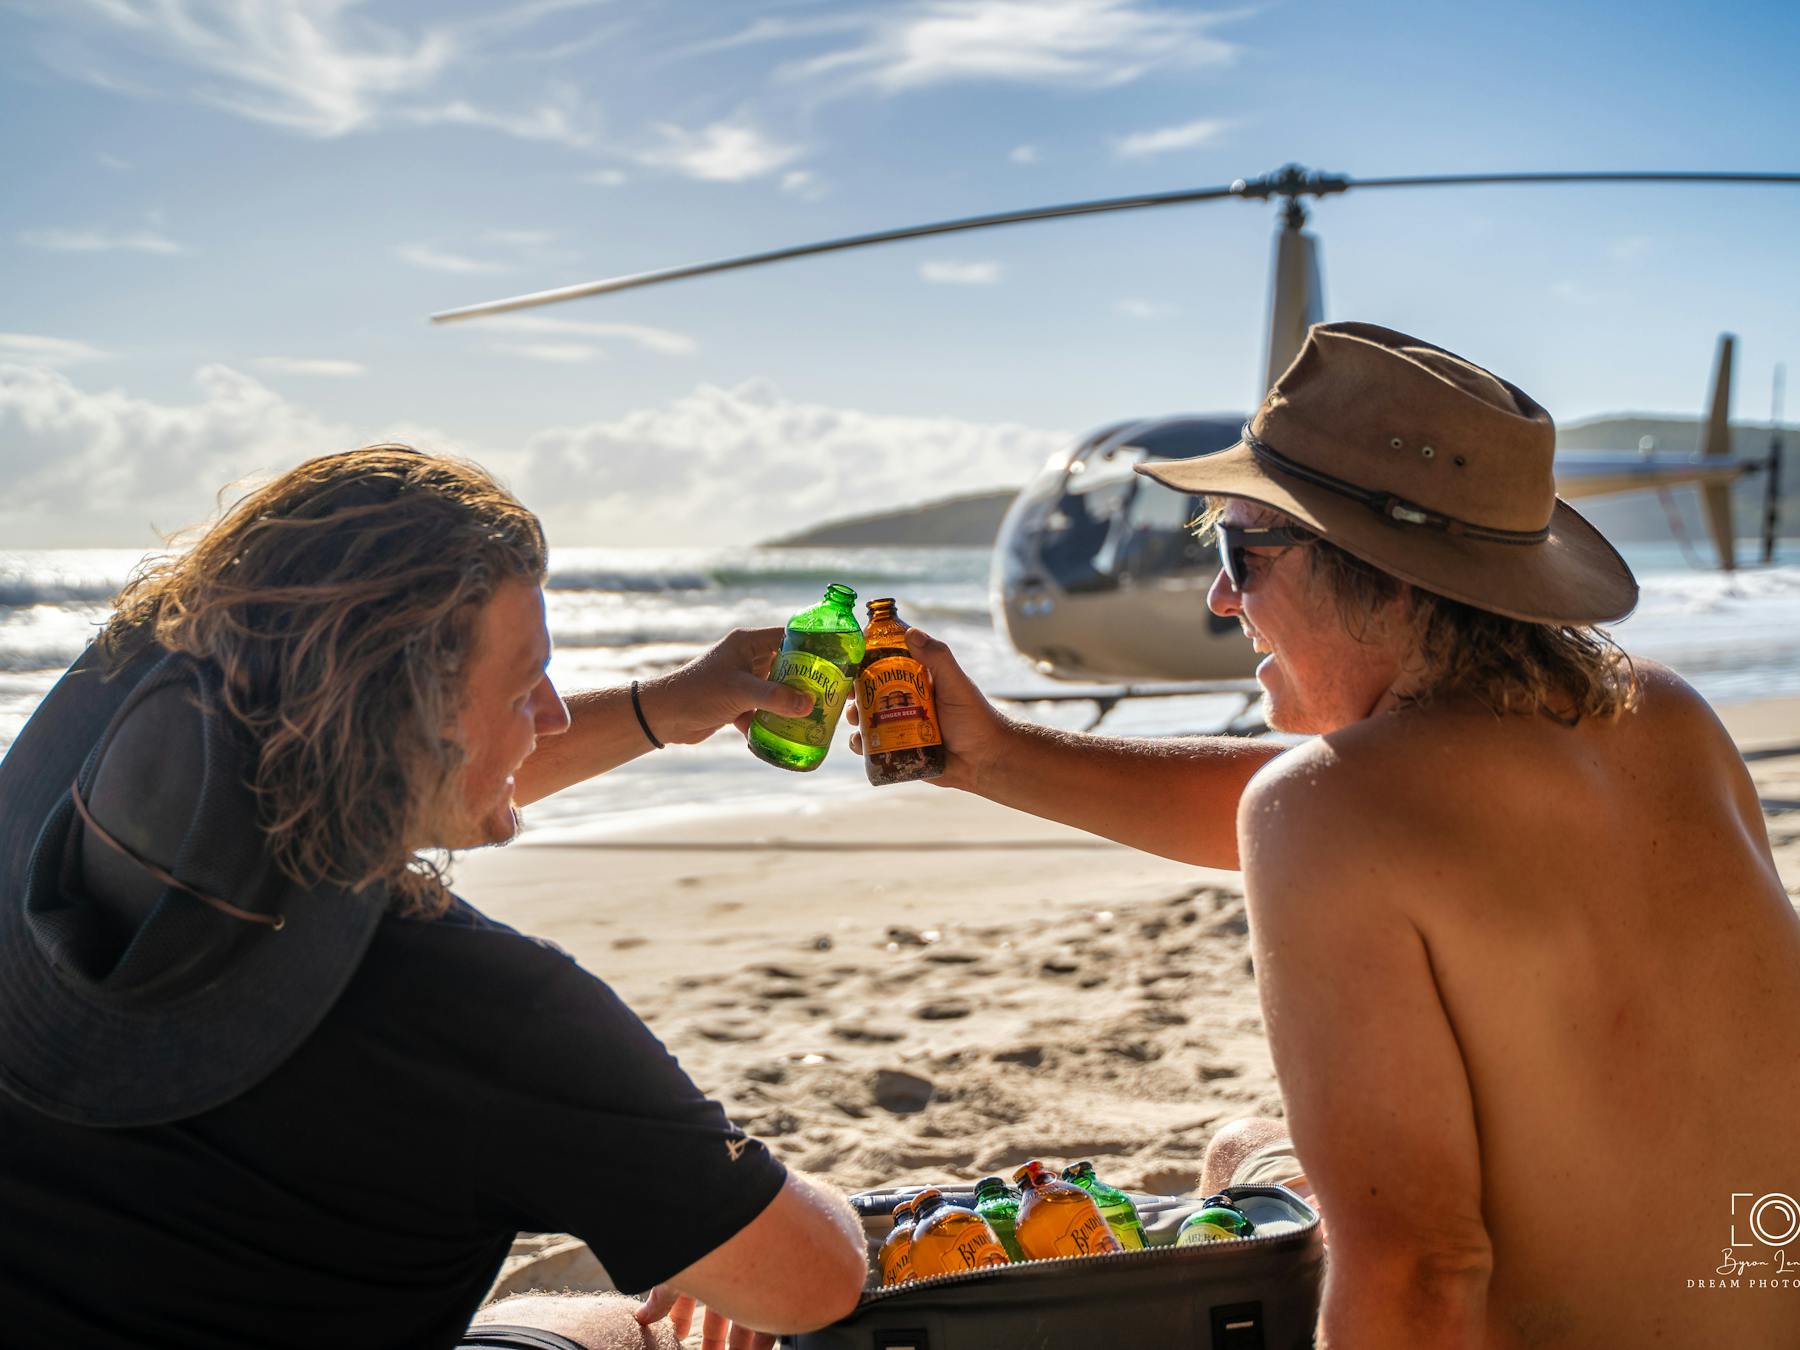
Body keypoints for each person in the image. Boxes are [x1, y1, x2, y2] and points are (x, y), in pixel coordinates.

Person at [851, 323, 1800, 1347]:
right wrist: (989, 754)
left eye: (1240, 553)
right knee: (1242, 1151)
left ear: (1382, 576)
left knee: (1266, 1188)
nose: (1223, 597)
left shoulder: (1332, 816)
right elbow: (1369, 817)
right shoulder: (1658, 717)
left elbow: (1426, 1273)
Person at [0, 446, 867, 1350]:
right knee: (614, 1324)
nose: (555, 714)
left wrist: (660, 709)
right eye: (525, 680)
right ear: (403, 720)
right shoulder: (481, 1008)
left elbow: (368, 792)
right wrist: (832, 1201)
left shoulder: (61, 868)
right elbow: (812, 1284)